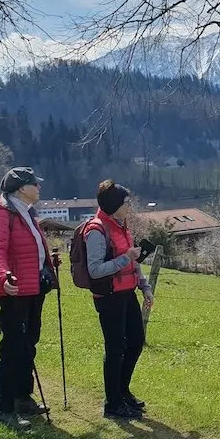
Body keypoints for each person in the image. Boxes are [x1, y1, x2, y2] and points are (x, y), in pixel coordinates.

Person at [0, 166, 59, 430]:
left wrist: (48, 264)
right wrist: (4, 276)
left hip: (34, 288)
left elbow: (32, 249)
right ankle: (3, 410)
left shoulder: (26, 213)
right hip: (15, 290)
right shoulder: (2, 213)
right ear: (20, 188)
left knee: (29, 344)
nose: (38, 187)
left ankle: (22, 398)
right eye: (34, 184)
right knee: (12, 348)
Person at [82, 179, 154, 420]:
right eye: (125, 202)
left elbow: (134, 260)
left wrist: (144, 287)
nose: (129, 206)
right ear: (114, 204)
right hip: (109, 297)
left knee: (135, 342)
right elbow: (95, 270)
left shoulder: (122, 225)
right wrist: (125, 258)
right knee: (115, 349)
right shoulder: (96, 230)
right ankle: (112, 404)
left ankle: (122, 392)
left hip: (127, 292)